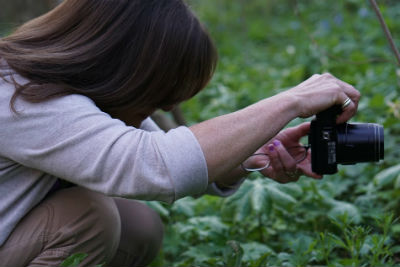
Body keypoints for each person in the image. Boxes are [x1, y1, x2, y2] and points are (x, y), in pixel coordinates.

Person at [0, 0, 360, 266]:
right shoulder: (15, 95)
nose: (168, 107)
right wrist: (291, 101)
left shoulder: (62, 91)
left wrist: (256, 150)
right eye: (162, 91)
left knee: (136, 225)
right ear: (120, 66)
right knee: (87, 218)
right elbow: (156, 164)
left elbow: (169, 154)